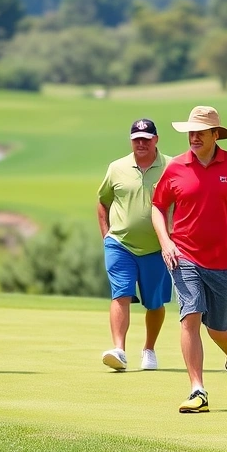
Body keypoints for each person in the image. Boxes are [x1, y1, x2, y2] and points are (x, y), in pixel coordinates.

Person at [151, 105, 227, 414]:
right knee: (190, 317)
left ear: (216, 135)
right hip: (184, 255)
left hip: (225, 261)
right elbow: (158, 207)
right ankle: (197, 390)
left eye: (200, 133)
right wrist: (166, 243)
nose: (193, 138)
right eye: (190, 133)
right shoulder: (175, 167)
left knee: (218, 330)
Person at [97, 119, 173, 372]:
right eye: (136, 138)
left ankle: (149, 349)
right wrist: (106, 235)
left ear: (156, 140)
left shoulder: (172, 166)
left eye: (146, 138)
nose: (141, 143)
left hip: (157, 248)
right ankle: (119, 349)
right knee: (121, 294)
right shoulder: (117, 167)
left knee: (155, 303)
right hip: (120, 244)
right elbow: (103, 202)